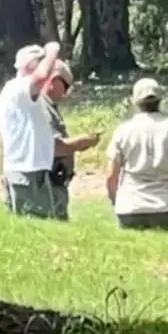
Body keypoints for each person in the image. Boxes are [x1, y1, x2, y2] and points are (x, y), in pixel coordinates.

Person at [104, 78, 168, 235]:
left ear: (135, 101)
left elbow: (111, 175)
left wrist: (115, 200)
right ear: (160, 100)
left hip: (132, 203)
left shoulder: (124, 130)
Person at [0, 41, 63, 218]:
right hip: (27, 171)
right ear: (28, 65)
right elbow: (41, 76)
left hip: (28, 169)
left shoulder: (18, 91)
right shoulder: (20, 87)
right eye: (40, 61)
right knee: (38, 225)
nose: (47, 65)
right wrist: (52, 50)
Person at [44, 60, 100, 220]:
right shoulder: (43, 107)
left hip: (58, 180)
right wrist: (82, 142)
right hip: (50, 181)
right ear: (54, 80)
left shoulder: (49, 106)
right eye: (66, 86)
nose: (66, 93)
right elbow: (55, 147)